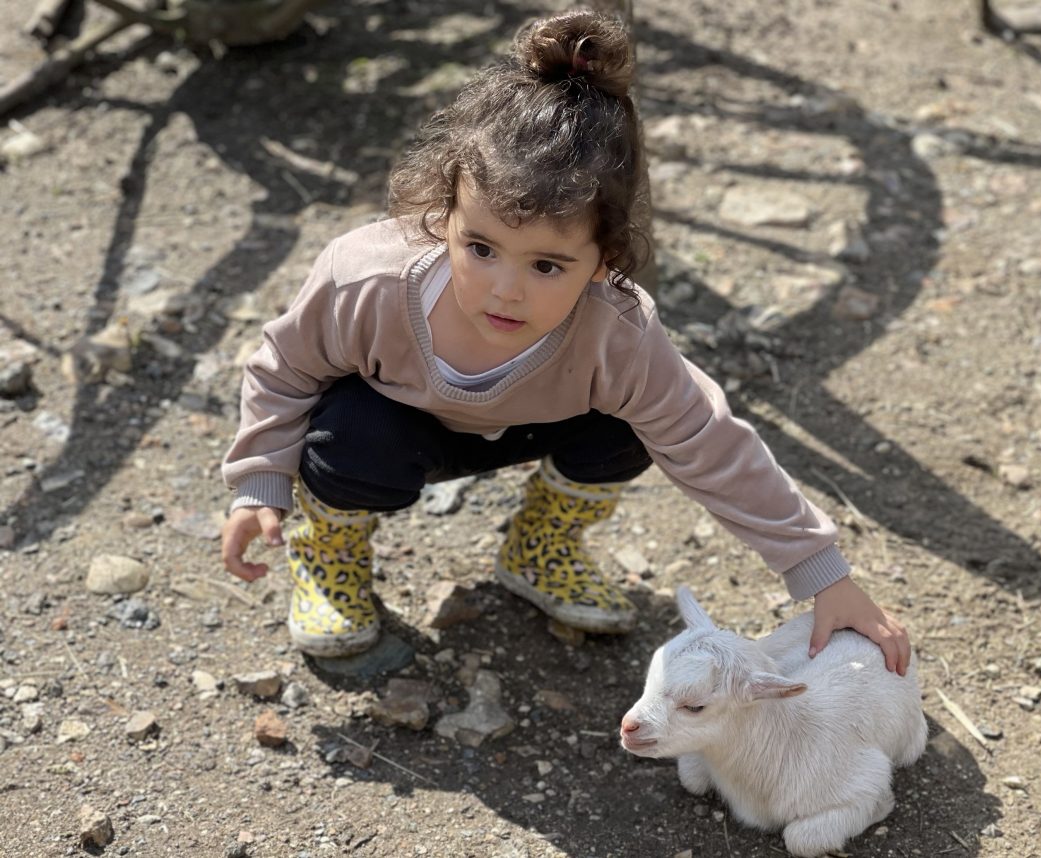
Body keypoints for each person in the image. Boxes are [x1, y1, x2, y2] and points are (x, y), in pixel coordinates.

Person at [220, 9, 911, 674]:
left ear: (607, 260)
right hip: (396, 426)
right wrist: (259, 480)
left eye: (547, 265)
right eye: (481, 247)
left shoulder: (618, 331)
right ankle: (330, 554)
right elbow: (284, 369)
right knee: (348, 431)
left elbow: (711, 442)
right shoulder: (366, 281)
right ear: (444, 210)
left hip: (539, 423)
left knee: (641, 423)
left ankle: (540, 546)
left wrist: (823, 576)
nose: (505, 291)